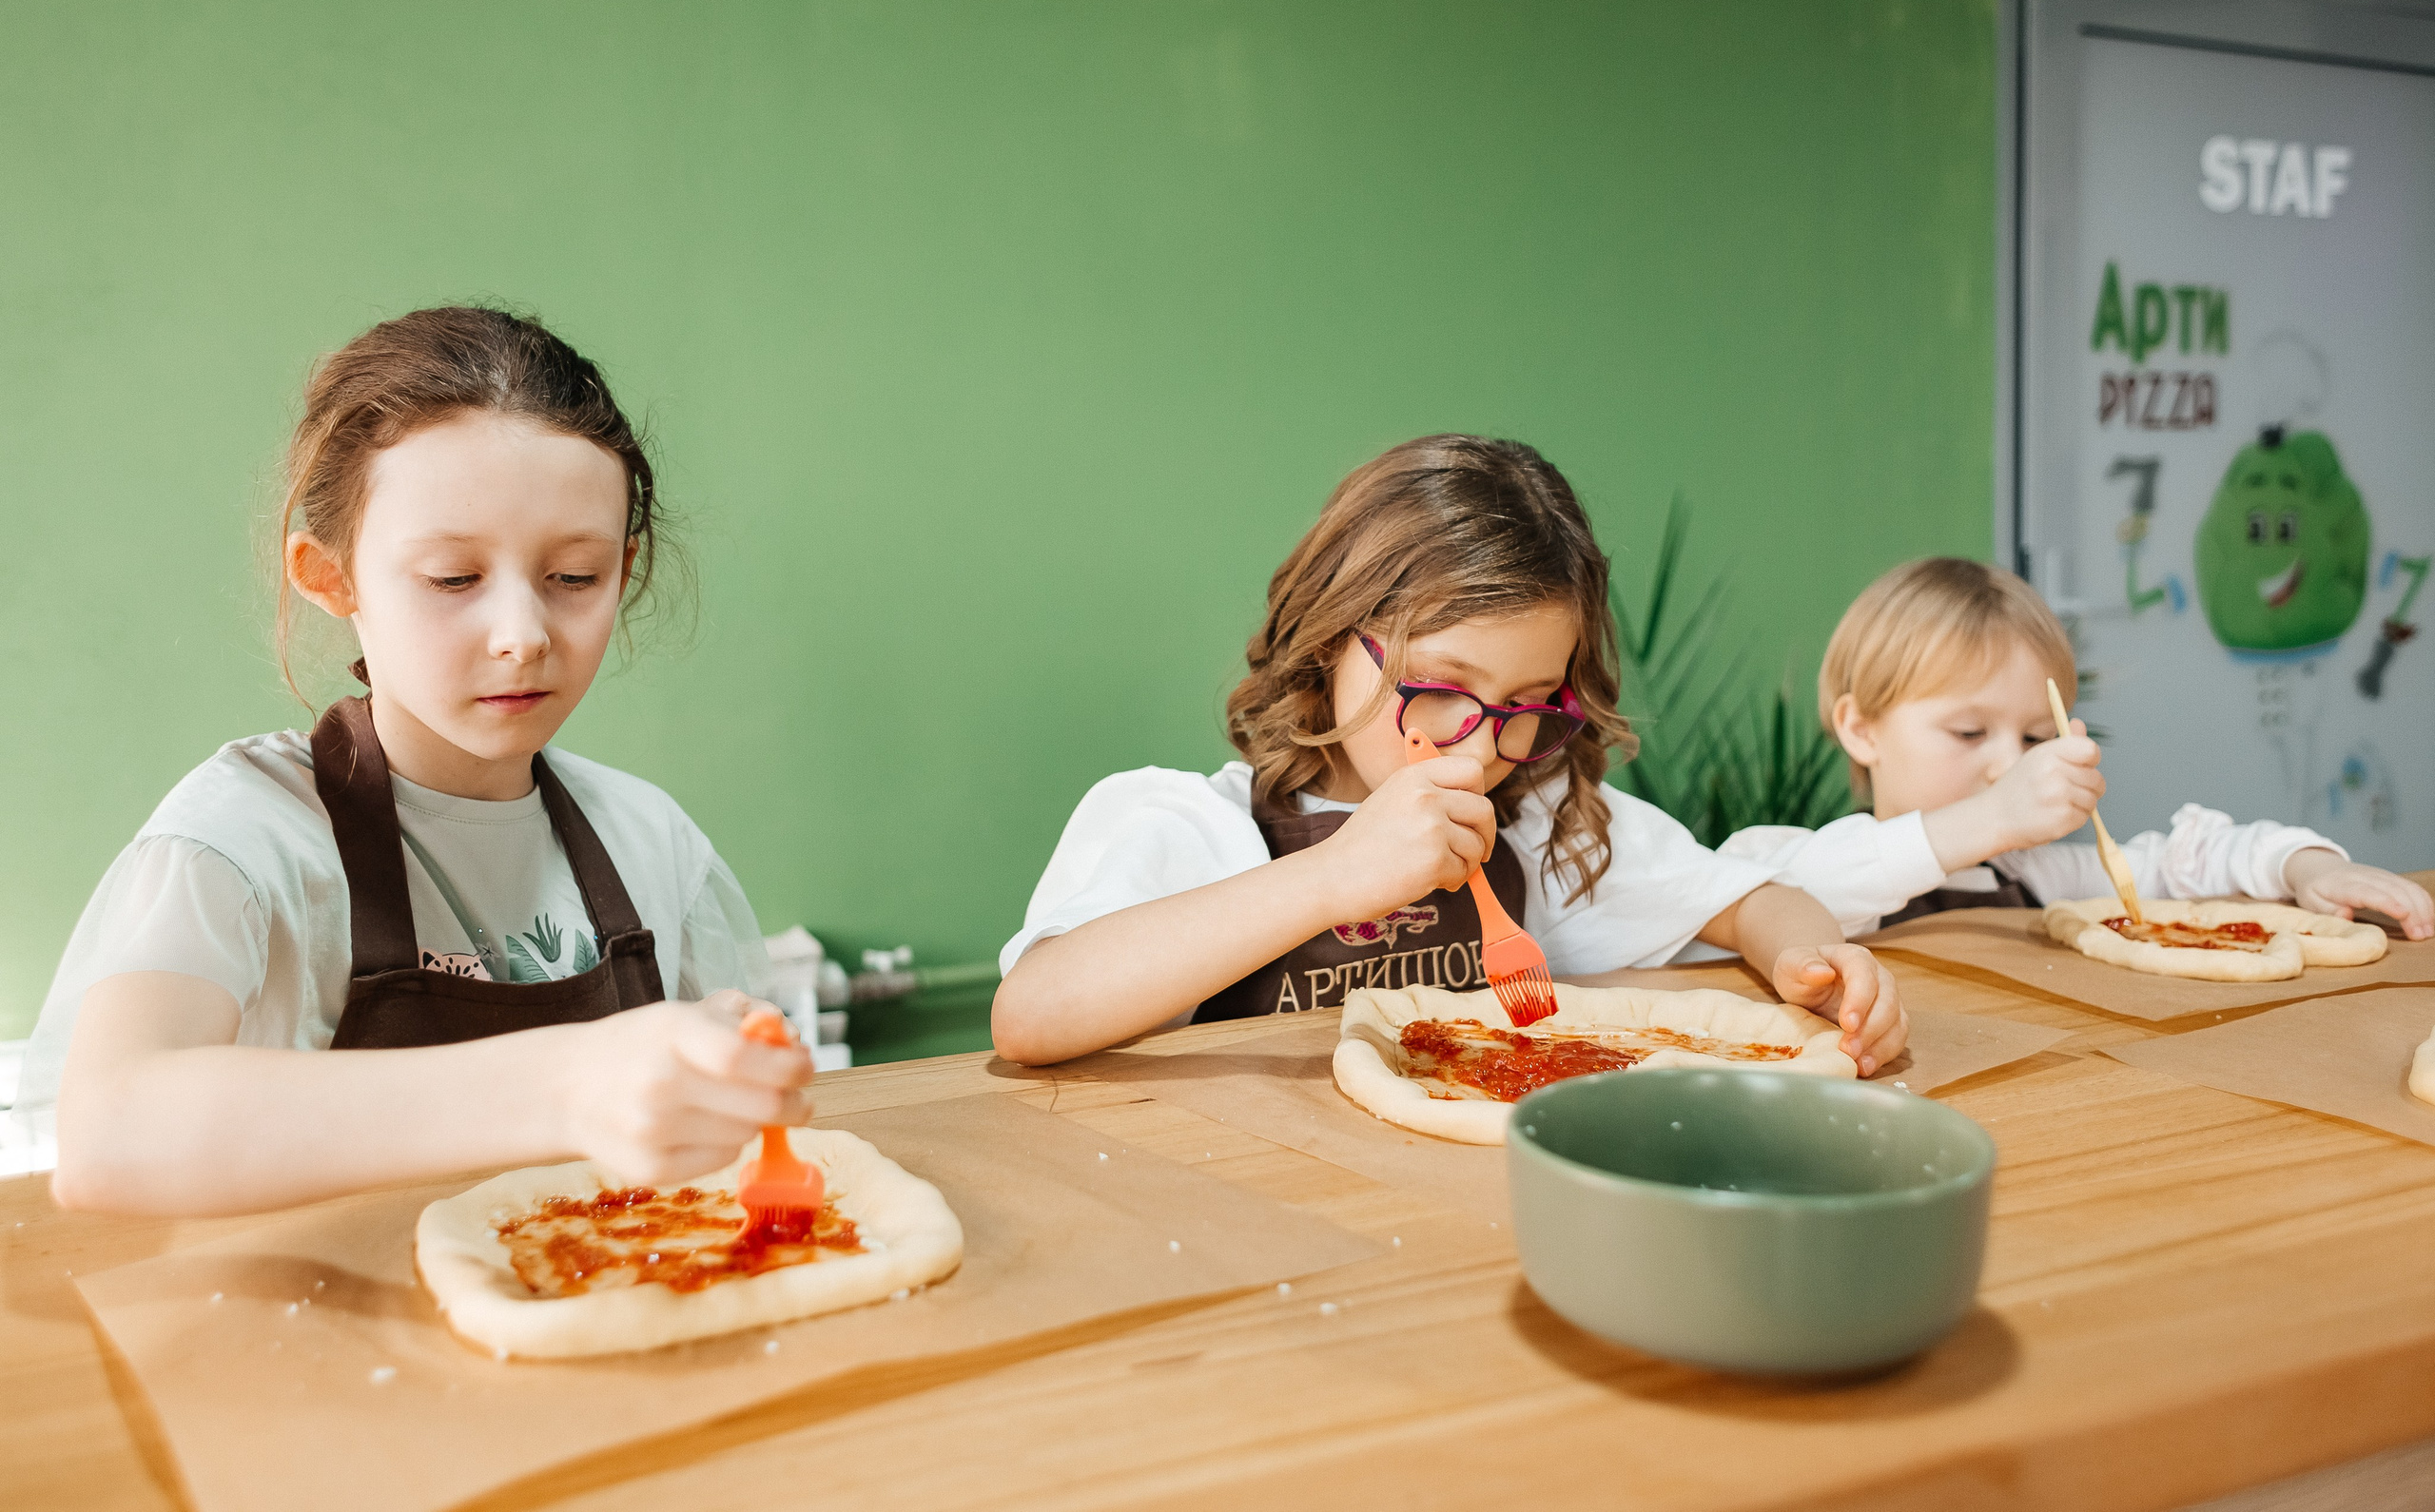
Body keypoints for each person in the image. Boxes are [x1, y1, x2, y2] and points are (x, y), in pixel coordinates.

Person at [28, 306, 809, 1216]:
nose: (522, 636)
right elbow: (109, 1135)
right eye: (453, 578)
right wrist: (565, 1082)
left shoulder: (650, 840)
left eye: (574, 578)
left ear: (625, 571)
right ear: (331, 576)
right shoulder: (243, 837)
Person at [990, 435, 1909, 1072]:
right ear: (1330, 637)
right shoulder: (1188, 826)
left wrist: (1813, 961)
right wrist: (1331, 876)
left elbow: (1750, 899)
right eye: (1440, 686)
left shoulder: (1541, 822)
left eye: (1523, 706)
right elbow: (1031, 1015)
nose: (1482, 741)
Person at [1724, 557, 2434, 937]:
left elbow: (2188, 862)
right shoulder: (1799, 871)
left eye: (2035, 735)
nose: (2012, 763)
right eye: (1969, 732)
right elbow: (1752, 897)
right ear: (1860, 727)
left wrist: (2303, 865)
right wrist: (1993, 816)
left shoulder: (2039, 875)